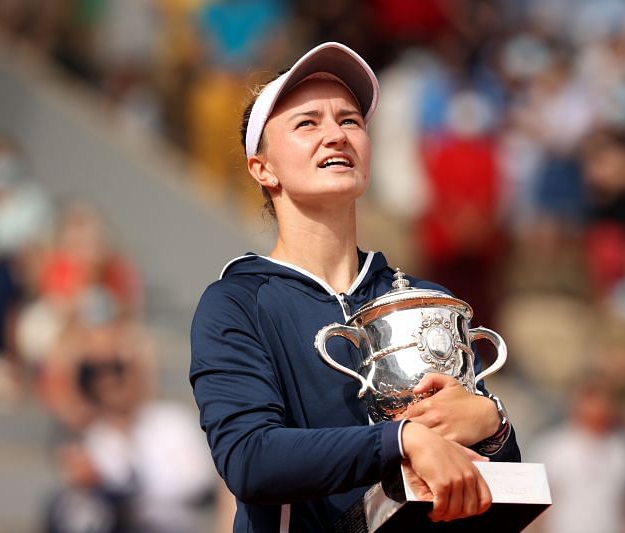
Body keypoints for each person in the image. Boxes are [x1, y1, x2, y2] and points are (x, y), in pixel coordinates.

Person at [189, 41, 520, 533]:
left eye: (350, 121)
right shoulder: (236, 303)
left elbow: (495, 489)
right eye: (307, 123)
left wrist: (493, 427)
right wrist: (401, 440)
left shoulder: (420, 299)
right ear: (263, 168)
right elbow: (248, 458)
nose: (336, 136)